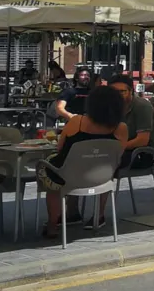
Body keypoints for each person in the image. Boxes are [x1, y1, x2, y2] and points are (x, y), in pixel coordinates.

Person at [37, 86, 128, 238]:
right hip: (101, 178)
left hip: (68, 177)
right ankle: (97, 215)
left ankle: (53, 225)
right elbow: (117, 155)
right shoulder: (121, 128)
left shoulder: (76, 122)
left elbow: (60, 149)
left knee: (49, 172)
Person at [97, 74, 154, 220]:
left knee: (104, 164)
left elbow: (143, 140)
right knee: (80, 159)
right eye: (113, 92)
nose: (117, 96)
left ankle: (98, 215)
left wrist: (116, 148)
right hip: (120, 149)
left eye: (122, 92)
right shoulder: (110, 106)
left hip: (142, 153)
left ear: (131, 91)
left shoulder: (142, 106)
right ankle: (71, 212)